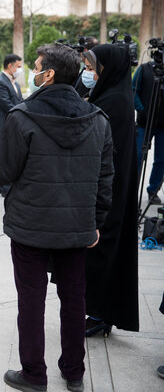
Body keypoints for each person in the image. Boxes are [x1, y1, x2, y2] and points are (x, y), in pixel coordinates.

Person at [0, 43, 114, 392]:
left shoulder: (23, 116)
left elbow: (2, 170)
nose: (34, 71)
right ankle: (74, 373)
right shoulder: (98, 119)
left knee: (31, 302)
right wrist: (96, 224)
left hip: (30, 229)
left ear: (49, 74)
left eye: (38, 66)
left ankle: (34, 375)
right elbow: (106, 180)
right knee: (75, 300)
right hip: (76, 229)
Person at [82, 45, 139, 338]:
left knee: (102, 251)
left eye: (93, 69)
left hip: (109, 191)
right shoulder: (111, 95)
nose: (88, 74)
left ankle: (100, 314)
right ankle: (99, 312)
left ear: (108, 69)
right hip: (109, 186)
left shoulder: (113, 101)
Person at [0, 54, 24, 198]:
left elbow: (20, 101)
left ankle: (2, 185)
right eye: (18, 67)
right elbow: (7, 105)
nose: (20, 70)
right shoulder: (0, 83)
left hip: (14, 123)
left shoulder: (15, 83)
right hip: (5, 123)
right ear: (10, 66)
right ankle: (5, 187)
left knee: (7, 154)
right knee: (5, 154)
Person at [133, 59, 164, 204]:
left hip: (163, 126)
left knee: (161, 159)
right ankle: (132, 189)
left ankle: (153, 190)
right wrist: (143, 110)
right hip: (144, 123)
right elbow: (134, 91)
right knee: (138, 156)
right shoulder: (144, 69)